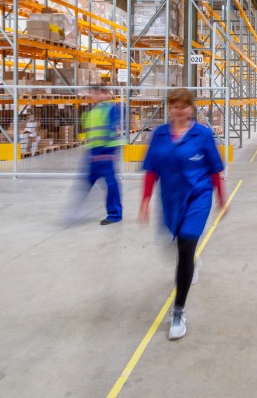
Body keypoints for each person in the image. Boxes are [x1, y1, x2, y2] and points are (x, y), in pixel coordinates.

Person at [139, 88, 226, 340]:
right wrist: (145, 200)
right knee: (174, 246)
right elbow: (152, 169)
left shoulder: (203, 135)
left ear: (191, 108)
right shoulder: (160, 135)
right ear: (170, 108)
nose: (179, 110)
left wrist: (221, 196)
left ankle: (178, 311)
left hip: (198, 197)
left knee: (186, 245)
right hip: (171, 199)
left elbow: (214, 168)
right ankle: (193, 261)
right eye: (174, 106)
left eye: (183, 106)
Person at [80, 85, 122, 224]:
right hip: (93, 152)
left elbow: (113, 130)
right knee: (87, 182)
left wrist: (107, 152)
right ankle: (75, 211)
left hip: (106, 151)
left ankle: (114, 215)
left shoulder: (110, 108)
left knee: (110, 183)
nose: (93, 96)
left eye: (96, 93)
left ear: (104, 93)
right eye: (92, 93)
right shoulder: (91, 111)